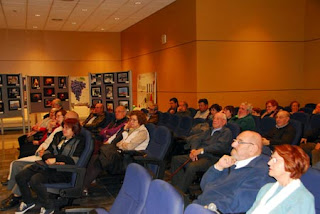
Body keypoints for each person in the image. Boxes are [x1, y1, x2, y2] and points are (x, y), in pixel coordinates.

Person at [0, 111, 78, 211]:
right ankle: (21, 197)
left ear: (75, 125)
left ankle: (22, 198)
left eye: (67, 124)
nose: (63, 127)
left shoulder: (79, 139)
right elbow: (49, 149)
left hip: (59, 169)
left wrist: (56, 158)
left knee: (29, 173)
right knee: (19, 171)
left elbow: (72, 159)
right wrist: (50, 156)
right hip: (46, 160)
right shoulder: (60, 134)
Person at [15, 118, 85, 214]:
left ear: (74, 130)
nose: (63, 130)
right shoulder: (58, 136)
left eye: (67, 128)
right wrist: (49, 158)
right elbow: (47, 151)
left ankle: (48, 206)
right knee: (20, 176)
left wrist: (56, 159)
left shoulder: (79, 141)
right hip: (48, 166)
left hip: (63, 171)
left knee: (35, 179)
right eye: (63, 127)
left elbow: (75, 159)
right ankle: (28, 202)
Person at [193, 131, 274, 214]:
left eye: (240, 142)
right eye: (235, 140)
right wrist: (218, 167)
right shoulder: (232, 161)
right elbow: (204, 186)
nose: (233, 145)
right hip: (199, 205)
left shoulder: (261, 171)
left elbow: (242, 201)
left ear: (252, 149)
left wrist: (212, 208)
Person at [83, 110, 150, 193]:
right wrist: (122, 143)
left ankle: (85, 185)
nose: (131, 122)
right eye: (130, 119)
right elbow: (118, 143)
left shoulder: (142, 132)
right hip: (120, 154)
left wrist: (123, 140)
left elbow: (128, 147)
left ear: (140, 121)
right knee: (95, 158)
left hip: (128, 158)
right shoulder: (131, 130)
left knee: (98, 159)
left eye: (134, 120)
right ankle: (85, 185)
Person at [171, 112, 232, 193]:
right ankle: (178, 186)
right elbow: (197, 139)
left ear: (224, 122)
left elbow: (219, 146)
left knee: (192, 166)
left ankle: (180, 191)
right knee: (176, 159)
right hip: (199, 154)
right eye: (214, 118)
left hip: (211, 157)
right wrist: (193, 150)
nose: (214, 120)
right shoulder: (209, 130)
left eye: (218, 119)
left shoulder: (226, 132)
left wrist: (201, 150)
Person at [247, 145, 315, 214]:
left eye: (275, 160)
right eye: (271, 158)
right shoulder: (266, 188)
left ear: (291, 163)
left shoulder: (303, 198)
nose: (269, 163)